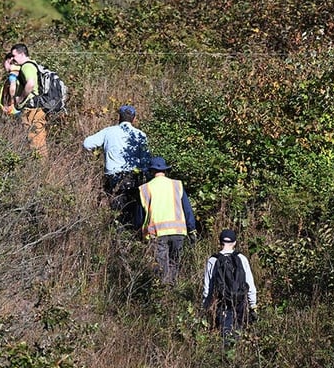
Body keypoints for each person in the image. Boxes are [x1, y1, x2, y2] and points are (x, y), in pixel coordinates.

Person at [82, 104, 151, 230]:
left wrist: (99, 152)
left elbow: (87, 143)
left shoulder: (108, 132)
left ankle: (116, 238)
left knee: (116, 212)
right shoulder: (141, 135)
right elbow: (146, 161)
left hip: (113, 177)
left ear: (119, 118)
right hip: (133, 177)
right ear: (134, 119)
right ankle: (130, 239)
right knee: (132, 212)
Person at [138, 156, 197, 284]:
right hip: (178, 232)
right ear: (165, 170)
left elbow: (140, 216)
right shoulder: (177, 185)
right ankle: (173, 291)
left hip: (156, 233)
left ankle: (163, 294)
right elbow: (187, 209)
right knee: (174, 264)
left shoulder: (144, 189)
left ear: (151, 171)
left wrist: (139, 232)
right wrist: (192, 229)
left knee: (161, 268)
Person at [202, 229, 258, 344]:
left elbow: (208, 288)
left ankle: (226, 355)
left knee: (225, 334)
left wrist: (205, 307)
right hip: (240, 301)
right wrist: (253, 306)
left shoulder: (213, 260)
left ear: (220, 242)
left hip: (222, 302)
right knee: (238, 332)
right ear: (235, 242)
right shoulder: (242, 258)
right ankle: (237, 353)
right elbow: (250, 285)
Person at [10, 43, 48, 158]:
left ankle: (41, 171)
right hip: (36, 109)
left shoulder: (27, 66)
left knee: (36, 143)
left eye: (14, 56)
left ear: (22, 54)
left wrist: (20, 99)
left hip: (32, 110)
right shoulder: (33, 64)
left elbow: (30, 84)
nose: (13, 59)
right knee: (38, 141)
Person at [0, 52, 21, 116]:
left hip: (14, 111)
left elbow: (13, 87)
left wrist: (11, 102)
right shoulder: (20, 73)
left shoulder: (13, 75)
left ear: (9, 60)